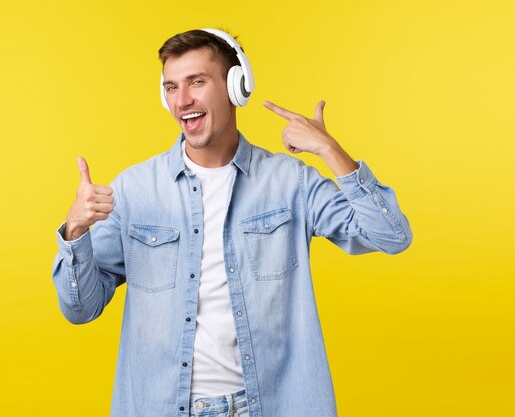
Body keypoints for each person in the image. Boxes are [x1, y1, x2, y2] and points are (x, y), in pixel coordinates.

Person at [51, 28, 412, 417]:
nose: (182, 100)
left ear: (237, 86)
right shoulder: (135, 190)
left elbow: (391, 235)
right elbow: (80, 309)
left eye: (197, 82)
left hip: (270, 406)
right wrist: (76, 231)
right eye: (171, 87)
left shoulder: (290, 182)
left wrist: (329, 149)